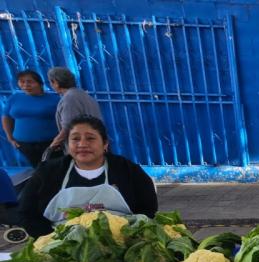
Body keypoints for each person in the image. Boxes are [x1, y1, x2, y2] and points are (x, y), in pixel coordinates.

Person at [19, 115, 157, 237]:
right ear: (68, 144)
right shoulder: (47, 172)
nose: (82, 144)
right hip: (60, 244)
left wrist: (127, 237)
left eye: (90, 138)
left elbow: (147, 210)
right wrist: (52, 240)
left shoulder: (128, 170)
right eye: (75, 139)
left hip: (120, 243)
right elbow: (27, 212)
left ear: (105, 143)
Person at [2, 70, 60, 167]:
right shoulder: (14, 98)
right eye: (22, 82)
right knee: (36, 170)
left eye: (30, 82)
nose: (26, 85)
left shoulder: (55, 99)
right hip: (23, 144)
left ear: (40, 83)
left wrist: (61, 140)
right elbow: (6, 117)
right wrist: (9, 137)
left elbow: (65, 120)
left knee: (54, 169)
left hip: (51, 144)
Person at [46, 67, 103, 150]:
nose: (51, 85)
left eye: (51, 82)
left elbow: (68, 127)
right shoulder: (82, 94)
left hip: (82, 147)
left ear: (56, 82)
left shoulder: (70, 98)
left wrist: (53, 145)